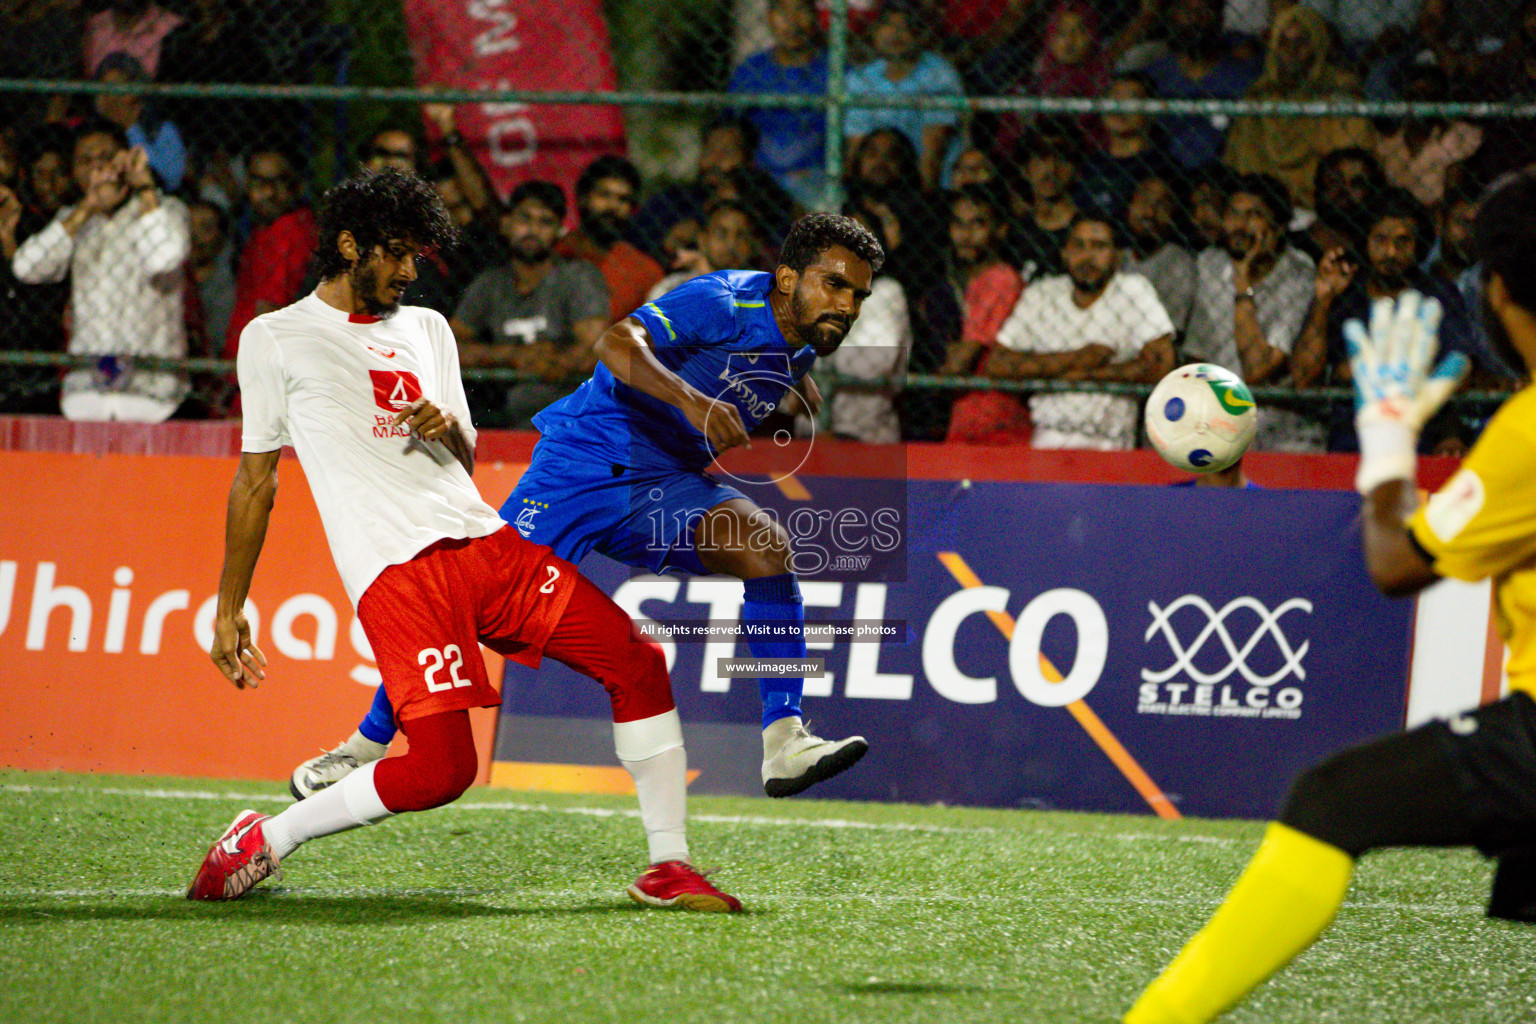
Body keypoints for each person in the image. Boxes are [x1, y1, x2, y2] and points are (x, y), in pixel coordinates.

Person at [187, 169, 740, 913]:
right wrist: (230, 607)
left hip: (486, 547)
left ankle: (668, 866)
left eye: (418, 255)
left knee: (637, 661)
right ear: (348, 247)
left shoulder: (428, 328)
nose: (411, 272)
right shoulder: (275, 338)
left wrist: (448, 430)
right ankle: (265, 839)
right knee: (445, 771)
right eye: (397, 254)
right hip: (398, 574)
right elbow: (257, 481)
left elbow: (467, 457)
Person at [1122, 168, 1536, 1024]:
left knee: (1331, 801)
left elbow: (1396, 561)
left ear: (1496, 291)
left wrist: (1386, 438)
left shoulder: (1527, 433)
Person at [289, 213, 882, 804]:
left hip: (664, 484)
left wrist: (780, 394)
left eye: (858, 294)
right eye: (834, 284)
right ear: (785, 278)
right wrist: (693, 402)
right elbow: (615, 343)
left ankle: (784, 741)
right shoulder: (723, 300)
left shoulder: (801, 348)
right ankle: (364, 746)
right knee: (470, 597)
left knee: (767, 547)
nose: (848, 305)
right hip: (585, 462)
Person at [11, 120, 190, 422]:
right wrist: (87, 207)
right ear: (75, 173)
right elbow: (27, 267)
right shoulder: (73, 219)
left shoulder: (166, 209)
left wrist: (144, 186)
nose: (98, 168)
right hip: (85, 397)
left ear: (126, 158)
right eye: (85, 161)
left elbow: (164, 257)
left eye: (106, 157)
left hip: (154, 396)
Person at [1291, 187, 1485, 448]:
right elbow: (1304, 377)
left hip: (1421, 432)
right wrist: (1323, 300)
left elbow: (1460, 371)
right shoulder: (1347, 294)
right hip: (1352, 435)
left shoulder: (1437, 294)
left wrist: (1358, 371)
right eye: (1380, 240)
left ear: (1419, 246)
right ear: (1365, 240)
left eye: (1403, 242)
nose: (1391, 252)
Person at [989, 213, 1175, 450]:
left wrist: (1086, 376)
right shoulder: (1043, 293)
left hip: (1112, 442)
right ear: (1064, 252)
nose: (1087, 257)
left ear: (1117, 255)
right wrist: (1078, 358)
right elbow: (998, 364)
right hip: (1047, 437)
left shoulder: (1132, 290)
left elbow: (1162, 363)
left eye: (1099, 247)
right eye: (1078, 245)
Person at [452, 180, 610, 428]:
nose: (533, 230)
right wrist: (512, 355)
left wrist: (555, 361)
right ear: (506, 224)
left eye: (545, 222)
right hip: (502, 406)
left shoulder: (578, 276)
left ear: (559, 230)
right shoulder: (490, 283)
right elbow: (449, 345)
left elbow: (596, 348)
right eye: (524, 219)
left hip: (563, 403)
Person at [1183, 173, 1323, 450]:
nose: (1240, 225)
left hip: (1279, 426)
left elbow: (1258, 369)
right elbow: (1196, 356)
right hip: (1216, 418)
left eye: (1254, 215)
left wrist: (1242, 279)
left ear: (1279, 227)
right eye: (1233, 214)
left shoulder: (1299, 274)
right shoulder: (1208, 265)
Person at [1223, 6, 1376, 210]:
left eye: (1302, 42)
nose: (1291, 52)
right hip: (1261, 210)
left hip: (1325, 212)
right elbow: (1236, 165)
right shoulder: (1258, 97)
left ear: (1318, 47)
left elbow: (1353, 173)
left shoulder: (1342, 95)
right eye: (1283, 42)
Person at [939, 184, 1030, 445]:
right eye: (958, 224)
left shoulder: (1000, 279)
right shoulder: (967, 282)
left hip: (993, 419)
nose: (965, 234)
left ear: (1000, 230)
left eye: (977, 224)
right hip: (971, 413)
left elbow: (961, 361)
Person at [843, 0, 965, 191]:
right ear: (874, 31)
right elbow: (856, 152)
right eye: (888, 24)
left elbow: (932, 156)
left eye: (906, 25)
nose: (896, 33)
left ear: (920, 33)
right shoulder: (860, 79)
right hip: (874, 184)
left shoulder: (938, 74)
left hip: (926, 187)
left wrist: (922, 205)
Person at [727, 0, 828, 208]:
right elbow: (729, 128)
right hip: (757, 180)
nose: (792, 22)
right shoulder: (750, 71)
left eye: (801, 10)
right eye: (783, 11)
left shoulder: (833, 71)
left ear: (816, 16)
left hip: (817, 181)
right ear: (769, 16)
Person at [1140, 0, 1262, 171]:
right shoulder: (1152, 76)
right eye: (1187, 8)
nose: (1195, 16)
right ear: (1174, 14)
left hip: (1221, 175)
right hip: (1161, 173)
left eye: (1205, 8)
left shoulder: (1245, 77)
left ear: (1219, 17)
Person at [224, 146, 316, 355]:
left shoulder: (285, 232)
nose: (268, 192)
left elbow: (268, 311)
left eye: (279, 182)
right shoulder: (264, 230)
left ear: (296, 186)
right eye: (259, 182)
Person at [557, 154, 664, 324]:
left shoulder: (645, 271)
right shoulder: (555, 255)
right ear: (583, 198)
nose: (613, 206)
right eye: (604, 195)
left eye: (623, 199)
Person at [92, 53, 185, 192]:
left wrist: (130, 127)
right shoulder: (94, 133)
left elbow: (171, 179)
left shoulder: (163, 129)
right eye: (103, 90)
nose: (108, 97)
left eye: (115, 87)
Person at [1122, 169, 1196, 334]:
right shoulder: (1117, 257)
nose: (1150, 212)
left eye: (1162, 205)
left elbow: (1167, 333)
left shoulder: (1178, 263)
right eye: (1144, 200)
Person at [648, 198, 764, 300]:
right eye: (721, 234)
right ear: (702, 240)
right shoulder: (672, 288)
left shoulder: (762, 297)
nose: (731, 244)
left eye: (741, 236)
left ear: (752, 245)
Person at [1009, 121, 1081, 278]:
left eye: (1061, 156)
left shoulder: (1088, 230)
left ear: (1076, 168)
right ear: (1024, 169)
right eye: (1041, 157)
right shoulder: (1014, 234)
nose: (1051, 168)